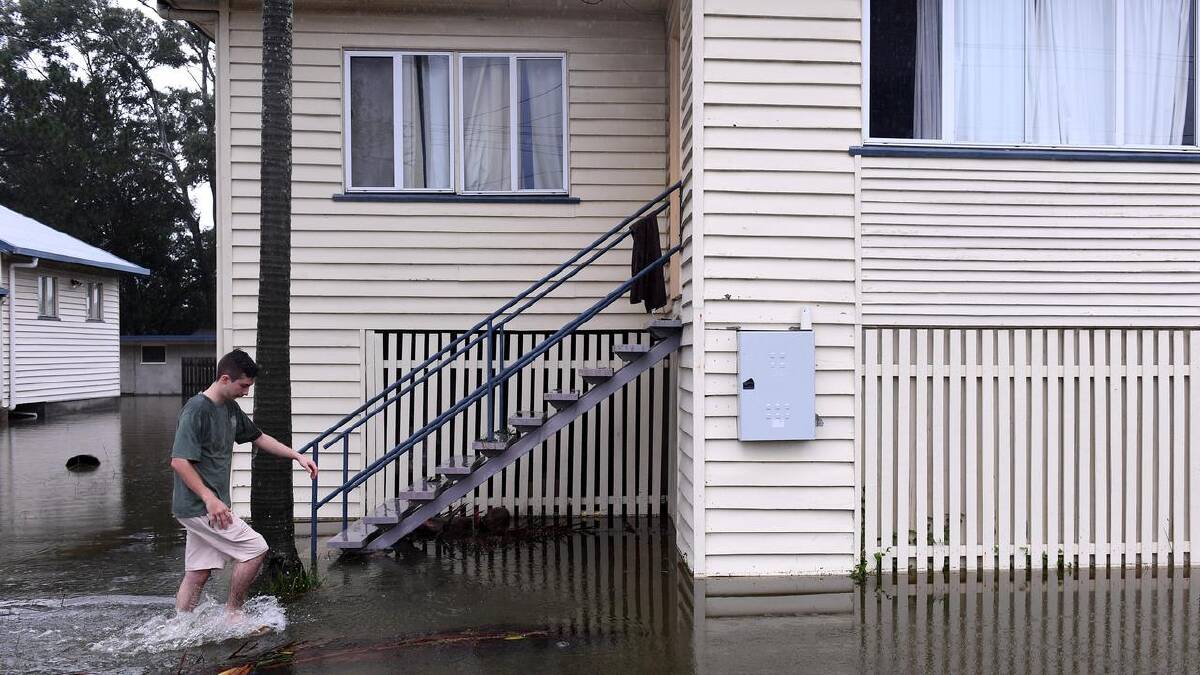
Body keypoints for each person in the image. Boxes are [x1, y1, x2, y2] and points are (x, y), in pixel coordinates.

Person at [170, 349, 318, 616]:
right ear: (225, 379)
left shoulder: (229, 409)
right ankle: (233, 613)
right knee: (255, 548)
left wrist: (296, 455)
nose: (247, 392)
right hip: (200, 506)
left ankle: (180, 626)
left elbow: (258, 437)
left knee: (198, 573)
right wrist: (210, 499)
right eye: (244, 386)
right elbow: (180, 462)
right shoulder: (195, 410)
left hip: (206, 506)